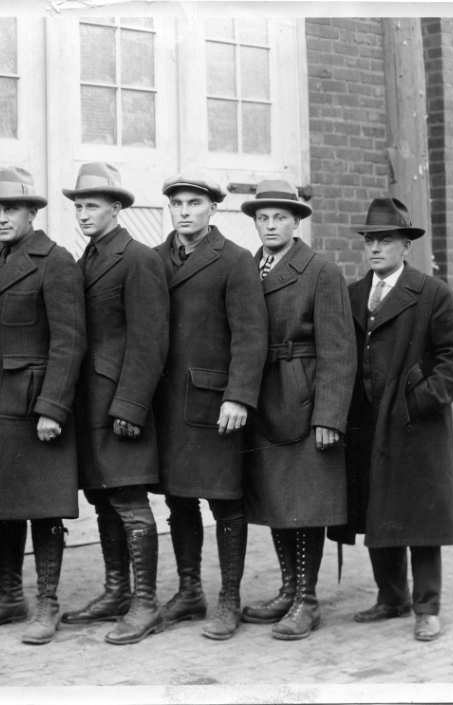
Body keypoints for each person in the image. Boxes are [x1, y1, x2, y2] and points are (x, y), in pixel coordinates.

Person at [329, 197, 453, 642]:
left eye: (386, 240)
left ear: (405, 246)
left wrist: (420, 401)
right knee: (378, 511)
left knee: (420, 516)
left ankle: (426, 607)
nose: (375, 248)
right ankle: (391, 597)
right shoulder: (354, 295)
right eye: (370, 240)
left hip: (414, 424)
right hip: (366, 423)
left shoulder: (432, 293)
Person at [0, 167, 86, 645]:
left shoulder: (55, 261)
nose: (1, 217)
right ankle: (9, 594)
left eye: (10, 208)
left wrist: (53, 407)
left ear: (32, 213)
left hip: (34, 404)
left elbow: (69, 341)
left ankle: (47, 603)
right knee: (3, 505)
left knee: (42, 508)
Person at [152, 173, 267, 641]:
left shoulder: (235, 261)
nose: (184, 211)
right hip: (168, 403)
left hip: (214, 402)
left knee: (224, 502)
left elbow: (250, 334)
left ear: (211, 210)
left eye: (193, 203)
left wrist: (238, 395)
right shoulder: (154, 258)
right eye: (176, 203)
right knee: (179, 499)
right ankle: (188, 590)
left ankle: (229, 599)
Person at [239, 180, 356, 640]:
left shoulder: (320, 270)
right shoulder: (250, 268)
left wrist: (329, 415)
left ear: (296, 221)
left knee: (305, 503)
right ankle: (289, 590)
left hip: (303, 398)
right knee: (275, 499)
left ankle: (307, 600)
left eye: (280, 217)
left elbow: (340, 350)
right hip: (263, 395)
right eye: (263, 218)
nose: (271, 225)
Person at [59, 162, 170, 645]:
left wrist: (131, 405)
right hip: (90, 401)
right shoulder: (86, 258)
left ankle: (145, 604)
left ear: (117, 209)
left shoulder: (137, 258)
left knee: (128, 499)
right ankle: (116, 591)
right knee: (103, 498)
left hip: (121, 403)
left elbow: (150, 341)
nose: (83, 214)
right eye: (79, 206)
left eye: (92, 206)